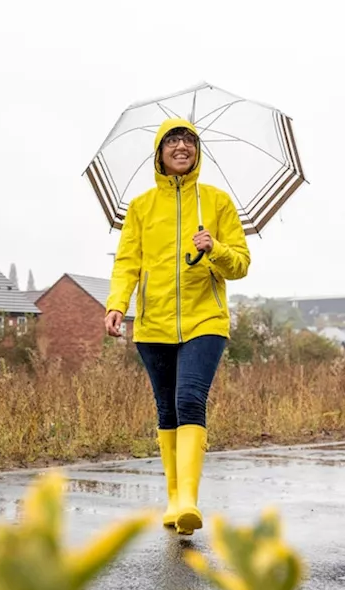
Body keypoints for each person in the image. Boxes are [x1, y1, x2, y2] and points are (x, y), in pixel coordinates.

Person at [104, 118, 250, 535]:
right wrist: (117, 304)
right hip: (153, 325)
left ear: (197, 152)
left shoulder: (217, 203)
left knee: (189, 398)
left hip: (206, 320)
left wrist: (214, 248)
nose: (181, 146)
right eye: (173, 141)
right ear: (159, 152)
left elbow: (240, 264)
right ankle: (173, 501)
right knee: (166, 408)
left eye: (189, 140)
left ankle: (188, 499)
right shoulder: (141, 207)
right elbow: (127, 262)